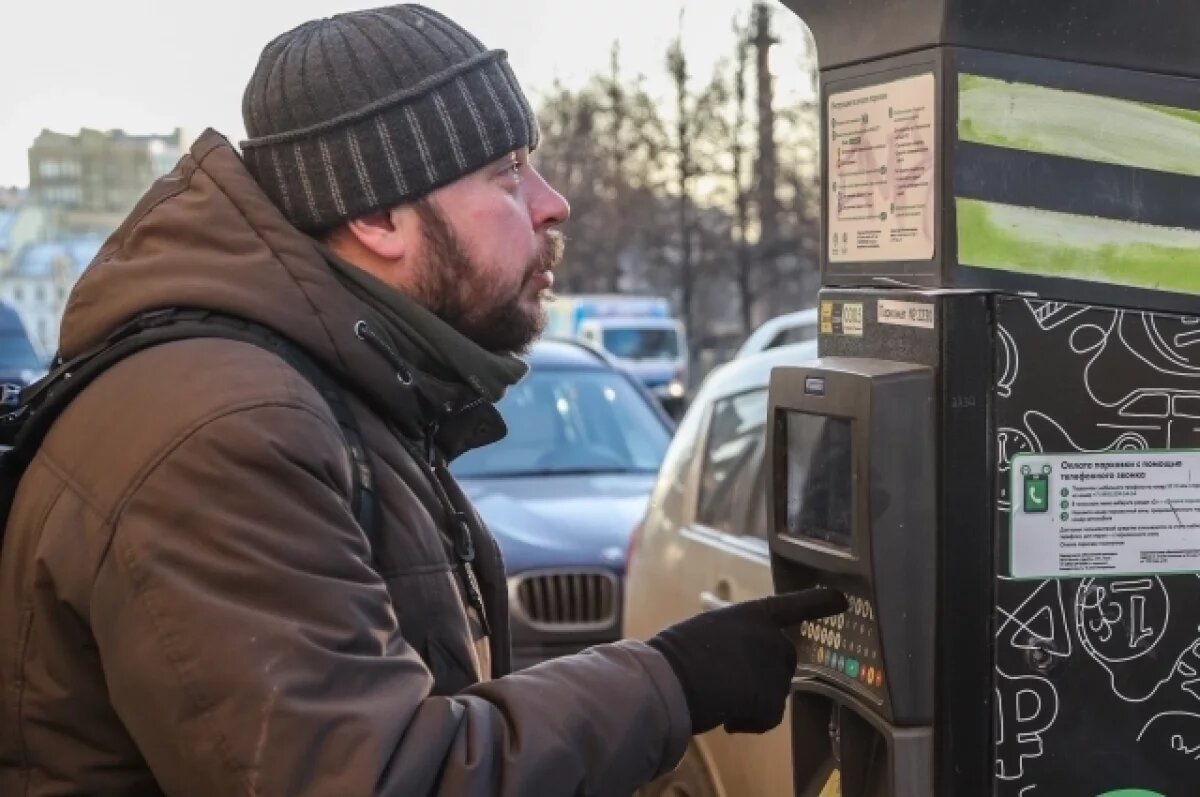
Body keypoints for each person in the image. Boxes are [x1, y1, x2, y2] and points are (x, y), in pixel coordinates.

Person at [0, 5, 845, 795]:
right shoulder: (224, 431)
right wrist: (671, 682)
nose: (553, 203)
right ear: (378, 214)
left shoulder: (326, 389)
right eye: (506, 173)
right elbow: (372, 775)